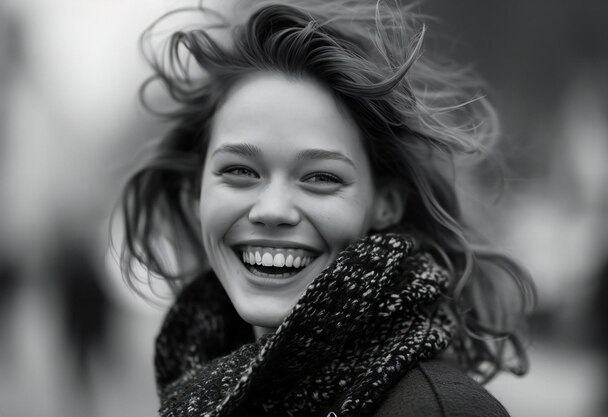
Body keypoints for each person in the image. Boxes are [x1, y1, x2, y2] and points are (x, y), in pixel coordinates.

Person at [118, 1, 536, 416]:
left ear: (385, 204)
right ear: (197, 192)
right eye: (240, 170)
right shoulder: (198, 381)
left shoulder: (439, 410)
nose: (272, 209)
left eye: (321, 177)